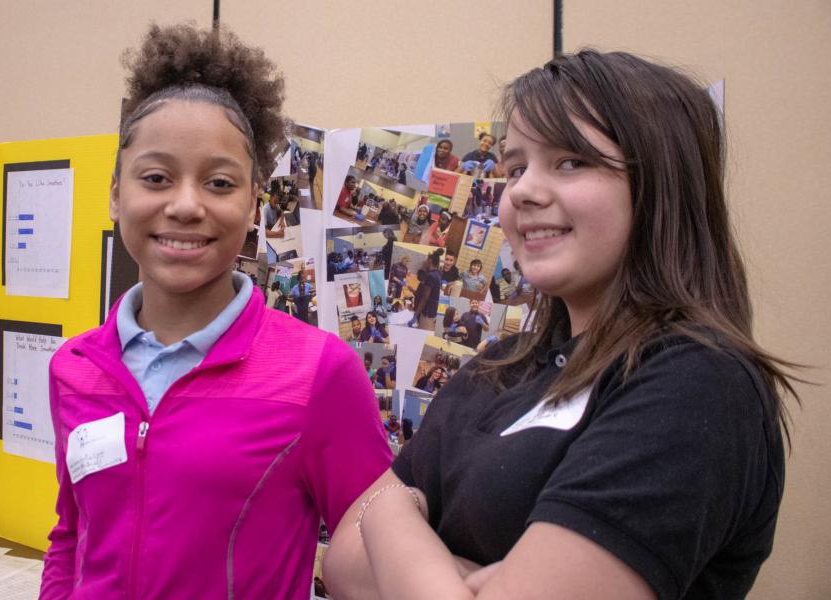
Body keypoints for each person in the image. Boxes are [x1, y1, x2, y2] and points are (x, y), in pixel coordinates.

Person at [324, 50, 797, 600]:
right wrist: (401, 523)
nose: (522, 190)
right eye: (515, 167)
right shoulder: (497, 369)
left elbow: (369, 537)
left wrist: (387, 515)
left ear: (662, 184)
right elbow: (342, 564)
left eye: (570, 161)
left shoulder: (698, 382)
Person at [40, 25, 391, 599]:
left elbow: (381, 550)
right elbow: (71, 536)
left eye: (219, 182)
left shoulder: (317, 374)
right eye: (155, 178)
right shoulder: (74, 368)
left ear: (254, 202)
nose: (184, 205)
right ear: (114, 193)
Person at [412, 249, 444, 330]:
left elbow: (425, 298)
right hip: (432, 310)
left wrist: (415, 315)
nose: (424, 262)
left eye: (425, 260)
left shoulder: (430, 276)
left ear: (429, 260)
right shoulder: (438, 273)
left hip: (427, 311)